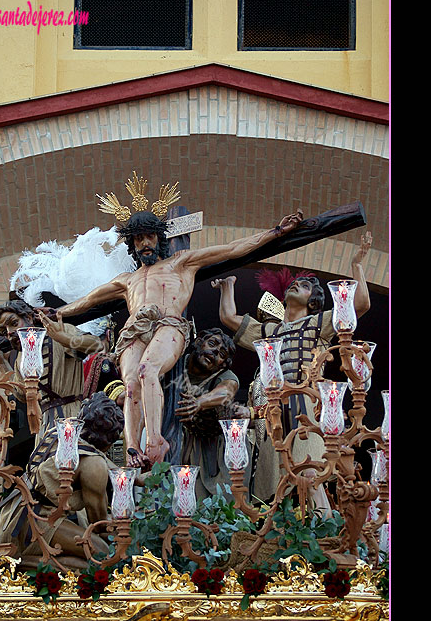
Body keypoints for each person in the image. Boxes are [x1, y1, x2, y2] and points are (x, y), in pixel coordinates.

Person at [57, 170, 304, 470]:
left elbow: (231, 249)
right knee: (131, 384)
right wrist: (60, 313)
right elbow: (89, 300)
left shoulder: (181, 263)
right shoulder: (126, 280)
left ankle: (156, 440)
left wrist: (276, 232)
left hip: (168, 324)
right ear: (132, 244)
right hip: (134, 329)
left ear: (159, 238)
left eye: (149, 237)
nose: (144, 244)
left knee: (149, 371)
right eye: (138, 239)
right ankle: (133, 447)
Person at [212, 231, 373, 514]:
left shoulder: (319, 323)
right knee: (271, 479)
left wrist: (357, 264)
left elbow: (359, 305)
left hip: (305, 405)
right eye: (296, 282)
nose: (297, 284)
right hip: (273, 409)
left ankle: (324, 529)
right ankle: (274, 535)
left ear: (313, 302)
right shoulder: (269, 331)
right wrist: (228, 286)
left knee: (310, 474)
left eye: (305, 285)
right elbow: (228, 318)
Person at [0, 392, 133, 571]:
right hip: (33, 524)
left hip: (13, 515)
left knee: (86, 555)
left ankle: (26, 563)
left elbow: (100, 458)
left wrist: (136, 478)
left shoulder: (61, 434)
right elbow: (98, 525)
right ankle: (19, 565)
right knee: (101, 554)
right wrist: (126, 524)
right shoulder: (94, 465)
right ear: (110, 441)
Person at [0, 299, 103, 441]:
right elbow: (22, 395)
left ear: (29, 318)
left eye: (14, 323)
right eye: (4, 331)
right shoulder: (21, 357)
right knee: (37, 463)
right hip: (45, 425)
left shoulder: (59, 331)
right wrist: (1, 363)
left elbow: (96, 344)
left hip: (71, 418)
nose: (10, 332)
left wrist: (63, 337)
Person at [175, 328, 251, 502]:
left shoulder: (226, 376)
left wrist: (199, 402)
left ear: (222, 364)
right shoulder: (176, 364)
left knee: (228, 502)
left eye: (222, 353)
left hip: (222, 448)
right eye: (212, 343)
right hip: (188, 445)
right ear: (198, 342)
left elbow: (227, 390)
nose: (215, 352)